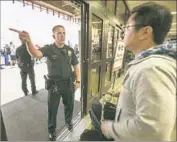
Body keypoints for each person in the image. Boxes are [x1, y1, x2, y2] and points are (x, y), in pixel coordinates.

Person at [101, 2, 176, 141]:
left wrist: (109, 128)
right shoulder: (149, 64)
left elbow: (152, 129)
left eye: (127, 27)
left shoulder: (152, 69)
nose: (124, 32)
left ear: (145, 32)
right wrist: (126, 93)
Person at [18, 25, 80, 141]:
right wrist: (28, 41)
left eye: (64, 33)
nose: (62, 35)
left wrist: (78, 81)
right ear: (54, 36)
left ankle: (68, 122)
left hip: (68, 84)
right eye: (59, 33)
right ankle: (52, 131)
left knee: (69, 106)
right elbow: (35, 54)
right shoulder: (49, 49)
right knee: (52, 110)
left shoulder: (70, 50)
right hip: (54, 86)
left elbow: (76, 65)